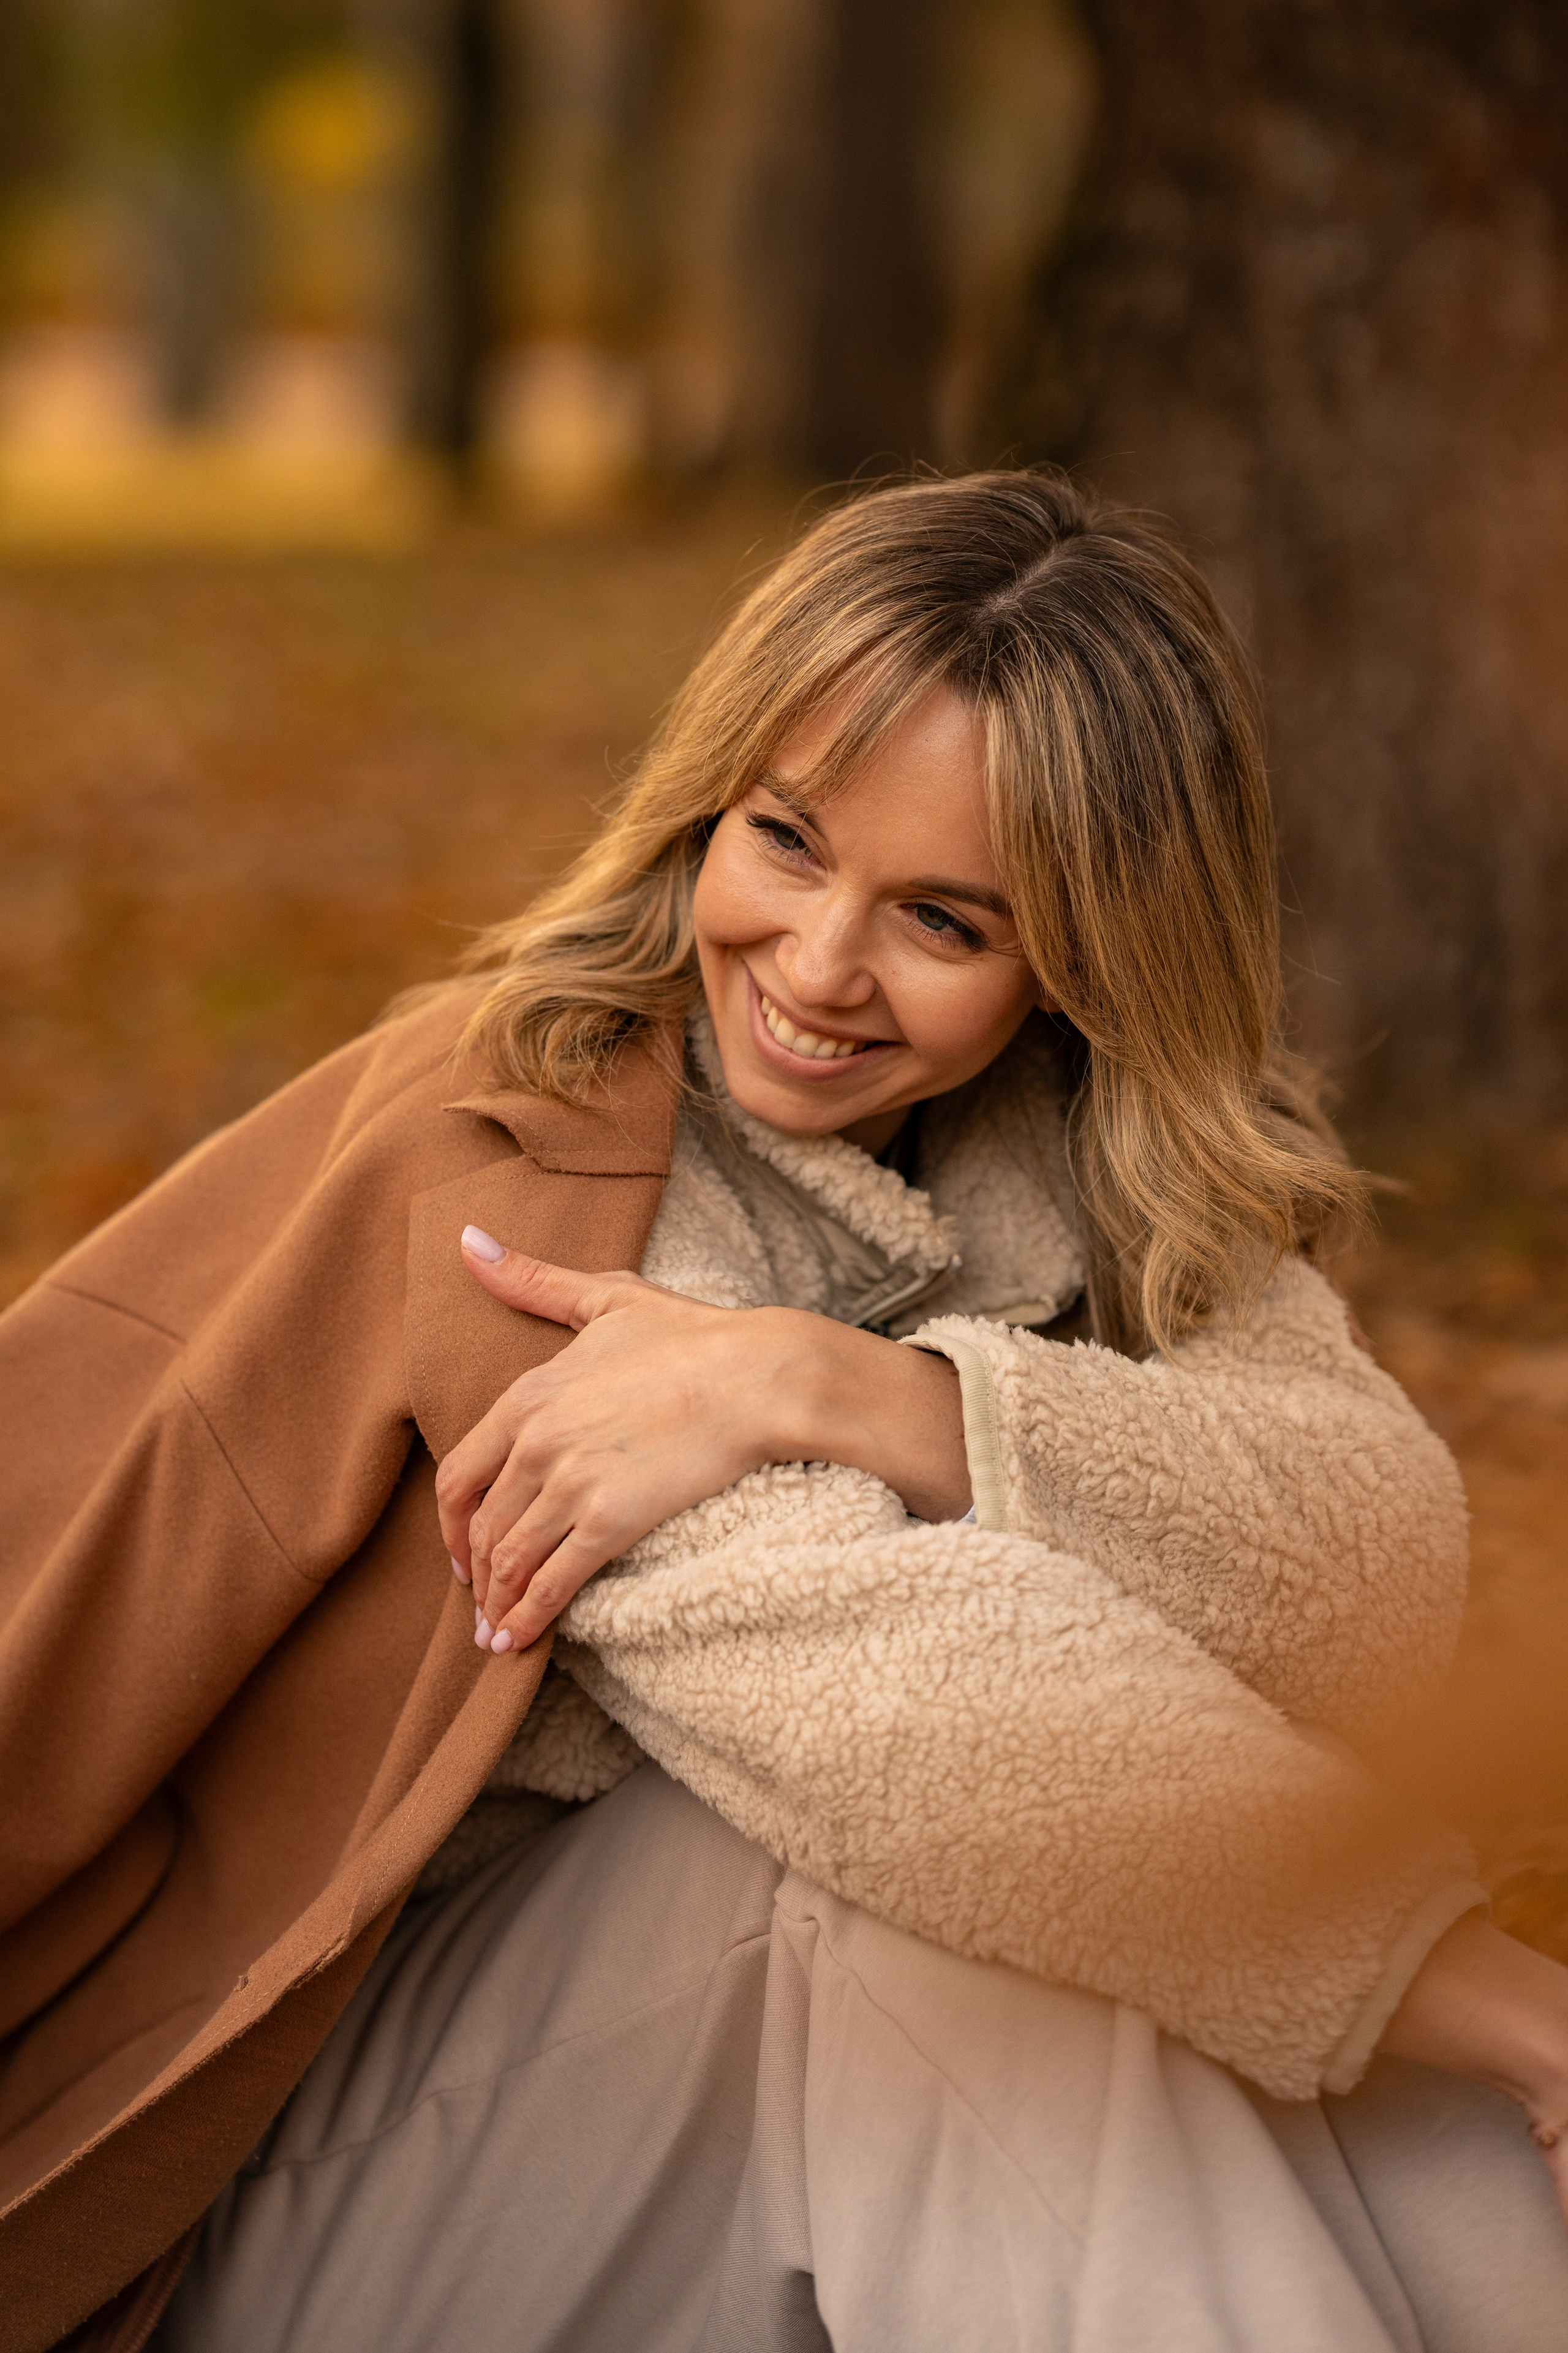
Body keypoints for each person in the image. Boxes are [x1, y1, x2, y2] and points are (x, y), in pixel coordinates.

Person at [4, 474, 1566, 2353]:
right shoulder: (532, 1168)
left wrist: (868, 1393)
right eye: (788, 841)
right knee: (917, 1911)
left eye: (943, 916)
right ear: (706, 800)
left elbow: (1371, 1558)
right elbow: (903, 1703)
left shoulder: (1055, 1168)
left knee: (1346, 2073)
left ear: (1083, 952)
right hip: (230, 2187)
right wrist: (1463, 1979)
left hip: (634, 2130)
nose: (821, 966)